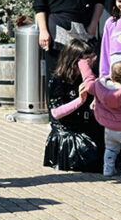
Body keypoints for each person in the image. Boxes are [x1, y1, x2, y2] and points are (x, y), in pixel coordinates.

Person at [78, 52, 121, 179]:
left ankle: (108, 169)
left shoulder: (99, 86)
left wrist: (83, 64)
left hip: (109, 129)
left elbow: (88, 80)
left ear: (112, 76)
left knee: (111, 149)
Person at [45, 38, 104, 173]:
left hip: (87, 125)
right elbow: (56, 113)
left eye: (92, 57)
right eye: (86, 60)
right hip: (67, 131)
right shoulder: (58, 80)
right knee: (92, 157)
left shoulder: (91, 76)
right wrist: (80, 100)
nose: (91, 62)